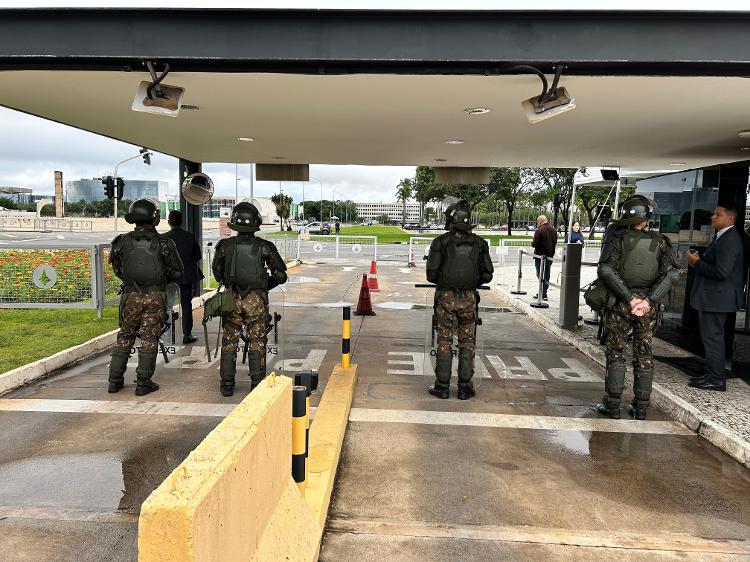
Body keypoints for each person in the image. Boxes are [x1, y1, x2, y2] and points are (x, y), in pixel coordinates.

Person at [596, 195, 678, 420]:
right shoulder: (661, 242)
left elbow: (605, 271)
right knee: (644, 353)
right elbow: (671, 274)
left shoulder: (616, 239)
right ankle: (641, 407)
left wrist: (629, 298)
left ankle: (613, 405)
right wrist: (648, 300)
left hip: (620, 304)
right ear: (647, 217)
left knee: (616, 351)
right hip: (648, 308)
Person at [107, 199, 184, 396]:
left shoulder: (121, 241)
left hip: (130, 295)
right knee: (150, 338)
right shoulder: (164, 243)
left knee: (124, 335)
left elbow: (118, 269)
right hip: (155, 295)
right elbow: (177, 272)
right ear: (154, 218)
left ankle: (114, 381)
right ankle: (143, 382)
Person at [212, 202, 288, 397]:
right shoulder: (265, 247)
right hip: (256, 301)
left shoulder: (224, 246)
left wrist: (230, 284)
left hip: (231, 299)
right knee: (257, 341)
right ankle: (257, 383)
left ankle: (227, 384)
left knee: (229, 341)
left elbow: (217, 273)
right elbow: (281, 275)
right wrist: (263, 285)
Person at [426, 198, 494, 400]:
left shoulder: (440, 242)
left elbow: (431, 274)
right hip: (469, 299)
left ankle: (442, 386)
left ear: (450, 219)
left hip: (446, 298)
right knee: (467, 342)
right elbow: (488, 274)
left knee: (444, 340)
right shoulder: (480, 243)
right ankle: (465, 387)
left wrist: (447, 282)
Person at [686, 205, 745, 392]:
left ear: (730, 219)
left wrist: (696, 263)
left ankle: (716, 379)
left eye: (717, 214)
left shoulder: (729, 240)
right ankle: (713, 374)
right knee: (711, 338)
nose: (712, 217)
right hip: (715, 299)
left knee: (713, 339)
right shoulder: (724, 237)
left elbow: (721, 272)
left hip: (717, 300)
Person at [164, 210, 203, 344]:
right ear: (181, 222)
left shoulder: (164, 238)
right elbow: (198, 256)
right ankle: (187, 334)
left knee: (168, 306)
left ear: (169, 221)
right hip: (186, 276)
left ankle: (167, 335)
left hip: (170, 277)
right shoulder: (189, 236)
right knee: (186, 305)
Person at [531, 215, 557, 300]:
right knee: (547, 274)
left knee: (539, 274)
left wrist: (532, 242)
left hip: (540, 256)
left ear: (540, 221)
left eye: (538, 222)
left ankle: (542, 292)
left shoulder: (539, 230)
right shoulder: (554, 230)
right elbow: (555, 243)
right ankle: (544, 292)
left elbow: (535, 244)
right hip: (550, 256)